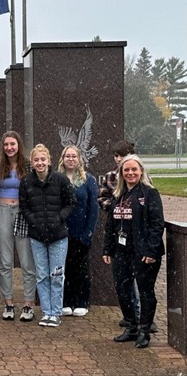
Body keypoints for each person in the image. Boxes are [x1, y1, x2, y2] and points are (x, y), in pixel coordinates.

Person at [103, 155, 165, 349]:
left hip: (144, 252)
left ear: (141, 171)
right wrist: (107, 248)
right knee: (122, 290)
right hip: (122, 251)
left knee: (146, 292)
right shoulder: (118, 194)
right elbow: (111, 224)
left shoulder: (149, 193)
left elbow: (157, 224)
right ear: (121, 173)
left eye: (134, 170)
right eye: (126, 170)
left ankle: (144, 331)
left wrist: (152, 250)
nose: (130, 173)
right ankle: (131, 327)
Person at [19, 144, 75, 328]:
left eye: (43, 159)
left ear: (49, 161)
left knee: (57, 275)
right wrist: (33, 220)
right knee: (42, 275)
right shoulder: (26, 182)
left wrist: (58, 218)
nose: (40, 163)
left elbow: (71, 203)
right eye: (36, 160)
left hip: (58, 236)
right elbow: (24, 206)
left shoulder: (61, 180)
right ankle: (46, 311)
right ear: (32, 162)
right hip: (37, 236)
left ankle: (56, 312)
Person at [0, 131, 36, 322]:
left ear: (19, 145)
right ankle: (8, 303)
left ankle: (28, 304)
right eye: (6, 144)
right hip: (1, 211)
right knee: (5, 262)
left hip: (22, 212)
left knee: (27, 262)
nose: (9, 148)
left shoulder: (28, 165)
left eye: (13, 144)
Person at [58, 145, 99, 317]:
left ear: (79, 159)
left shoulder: (88, 180)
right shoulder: (57, 179)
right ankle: (66, 302)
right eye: (68, 156)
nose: (71, 159)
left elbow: (93, 208)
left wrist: (88, 232)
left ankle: (82, 302)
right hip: (62, 233)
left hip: (81, 233)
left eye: (74, 156)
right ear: (63, 158)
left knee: (81, 269)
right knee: (64, 268)